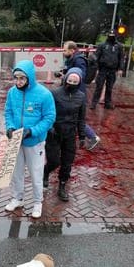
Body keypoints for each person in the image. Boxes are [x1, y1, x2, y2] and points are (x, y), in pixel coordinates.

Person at [4, 60, 56, 219]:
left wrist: (32, 131)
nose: (18, 82)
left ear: (30, 78)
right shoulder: (12, 92)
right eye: (16, 78)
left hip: (34, 141)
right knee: (16, 173)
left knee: (35, 173)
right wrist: (10, 127)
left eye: (22, 78)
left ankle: (37, 202)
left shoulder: (44, 94)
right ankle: (17, 198)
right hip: (16, 141)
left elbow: (49, 118)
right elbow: (8, 112)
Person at [44, 68, 86, 202]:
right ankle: (45, 172)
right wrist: (49, 127)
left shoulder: (81, 96)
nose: (72, 82)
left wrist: (82, 135)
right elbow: (48, 112)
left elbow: (81, 117)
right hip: (54, 133)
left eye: (75, 81)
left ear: (79, 82)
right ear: (65, 79)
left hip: (70, 134)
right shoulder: (55, 93)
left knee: (67, 162)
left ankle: (62, 186)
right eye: (70, 80)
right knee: (54, 161)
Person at [61, 41, 100, 149]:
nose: (63, 52)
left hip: (77, 94)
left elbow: (79, 75)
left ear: (72, 50)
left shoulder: (79, 60)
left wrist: (66, 77)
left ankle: (93, 137)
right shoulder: (72, 59)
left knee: (76, 119)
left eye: (65, 50)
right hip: (73, 92)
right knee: (73, 118)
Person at [90, 30, 124, 110]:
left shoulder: (119, 46)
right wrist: (96, 67)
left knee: (109, 88)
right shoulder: (102, 45)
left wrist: (120, 69)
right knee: (99, 87)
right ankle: (94, 103)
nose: (111, 37)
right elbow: (96, 56)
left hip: (112, 70)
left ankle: (107, 103)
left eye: (113, 35)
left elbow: (121, 58)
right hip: (103, 69)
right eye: (110, 35)